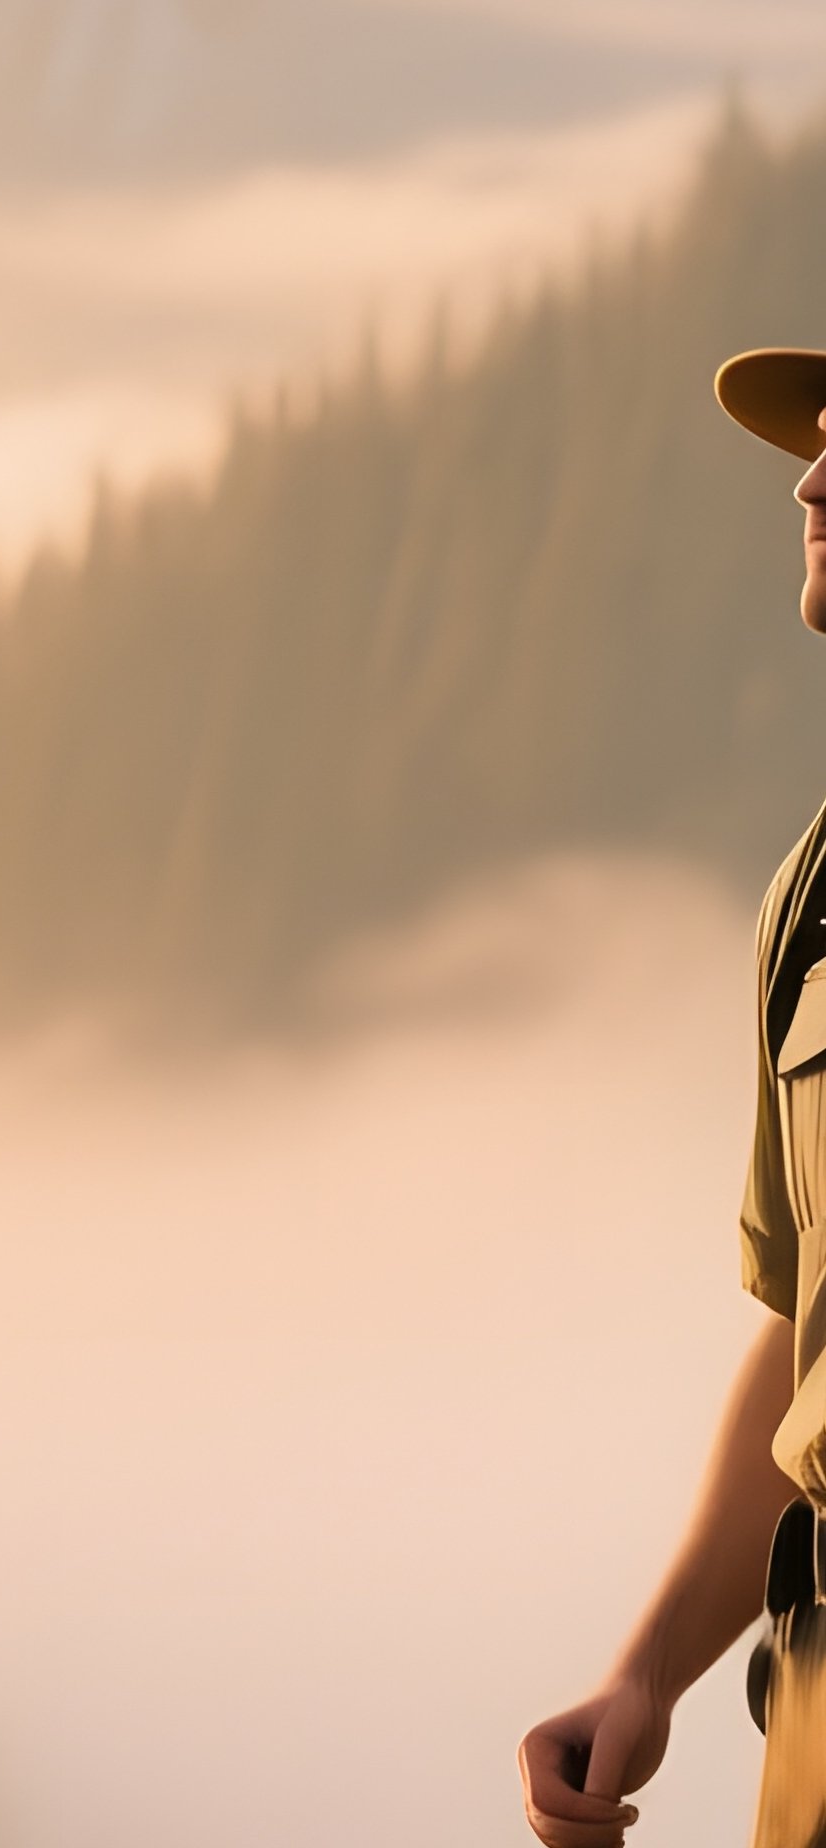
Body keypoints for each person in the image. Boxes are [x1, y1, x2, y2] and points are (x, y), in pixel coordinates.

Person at [517, 347, 826, 1848]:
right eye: (821, 442)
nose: (813, 480)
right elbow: (804, 1332)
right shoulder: (813, 892)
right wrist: (648, 1676)